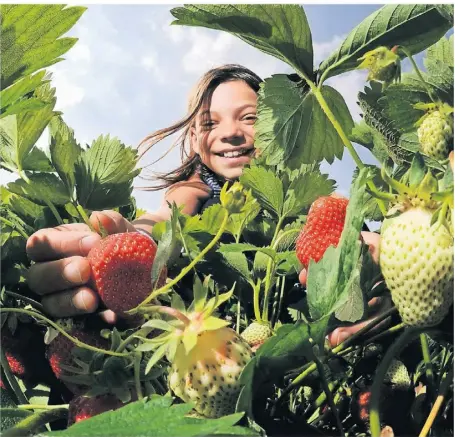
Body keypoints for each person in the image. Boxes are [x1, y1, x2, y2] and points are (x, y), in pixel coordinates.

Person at [25, 64, 383, 345]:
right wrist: (135, 240)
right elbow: (167, 220)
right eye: (210, 123)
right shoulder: (197, 190)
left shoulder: (309, 201)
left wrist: (380, 261)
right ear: (195, 140)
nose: (229, 132)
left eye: (249, 118)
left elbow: (350, 241)